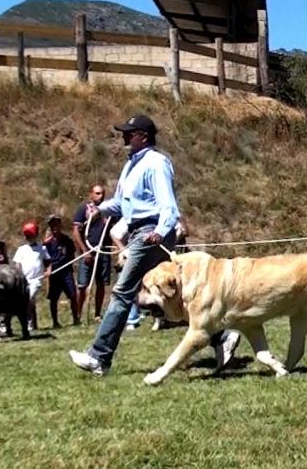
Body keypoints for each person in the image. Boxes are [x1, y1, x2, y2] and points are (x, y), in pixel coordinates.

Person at [69, 114, 240, 379]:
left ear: (144, 137)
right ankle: (222, 336)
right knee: (175, 298)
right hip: (140, 230)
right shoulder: (130, 166)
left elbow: (168, 206)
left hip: (150, 233)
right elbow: (123, 204)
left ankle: (99, 357)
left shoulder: (156, 164)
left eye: (130, 132)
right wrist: (100, 210)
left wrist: (160, 232)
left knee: (122, 291)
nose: (125, 136)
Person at [73, 184, 113, 323]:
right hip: (88, 251)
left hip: (103, 250)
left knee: (101, 284)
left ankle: (97, 314)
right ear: (91, 194)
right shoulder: (84, 209)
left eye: (102, 193)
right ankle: (77, 315)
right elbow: (76, 232)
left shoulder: (109, 211)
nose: (100, 196)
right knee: (82, 285)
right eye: (97, 193)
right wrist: (85, 251)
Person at [13, 222, 51, 331]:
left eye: (31, 234)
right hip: (24, 280)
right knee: (27, 302)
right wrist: (17, 274)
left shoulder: (42, 248)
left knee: (29, 299)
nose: (29, 237)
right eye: (27, 235)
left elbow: (48, 262)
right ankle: (31, 323)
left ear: (36, 235)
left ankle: (29, 324)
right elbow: (17, 264)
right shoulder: (21, 249)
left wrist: (48, 271)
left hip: (36, 280)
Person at [44, 215, 79, 328]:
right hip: (54, 273)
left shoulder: (67, 240)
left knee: (73, 295)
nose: (55, 227)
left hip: (66, 272)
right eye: (52, 225)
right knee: (53, 298)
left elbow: (72, 254)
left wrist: (69, 261)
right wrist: (48, 270)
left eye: (57, 224)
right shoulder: (47, 243)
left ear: (60, 225)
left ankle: (76, 319)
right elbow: (45, 259)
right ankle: (55, 322)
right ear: (50, 226)